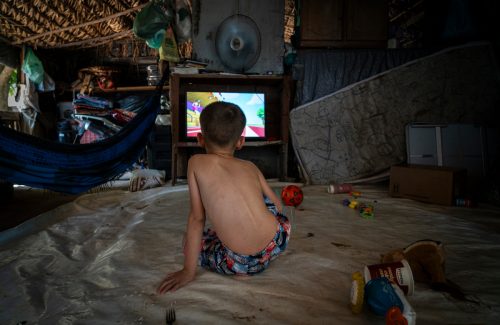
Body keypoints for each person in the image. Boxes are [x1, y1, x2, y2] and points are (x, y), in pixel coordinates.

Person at [157, 101, 291, 294]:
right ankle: (256, 249)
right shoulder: (250, 166)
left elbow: (197, 218)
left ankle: (243, 267)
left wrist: (188, 270)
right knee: (266, 204)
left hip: (237, 261)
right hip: (278, 239)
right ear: (241, 141)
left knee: (191, 241)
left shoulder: (195, 163)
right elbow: (278, 206)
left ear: (200, 139)